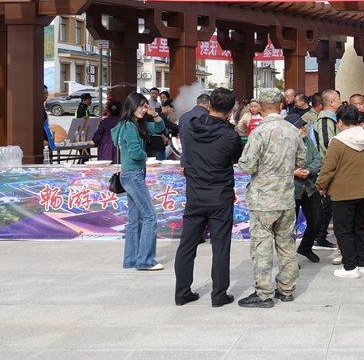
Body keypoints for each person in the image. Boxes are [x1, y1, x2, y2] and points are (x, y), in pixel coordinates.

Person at [174, 88, 243, 307]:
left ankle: (182, 292)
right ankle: (219, 295)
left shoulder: (190, 127)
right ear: (230, 111)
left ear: (209, 105)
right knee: (220, 247)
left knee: (187, 245)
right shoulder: (230, 135)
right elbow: (236, 157)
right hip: (220, 195)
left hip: (195, 194)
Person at [237, 88, 305, 307]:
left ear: (260, 107)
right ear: (281, 105)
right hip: (286, 196)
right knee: (286, 244)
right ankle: (286, 289)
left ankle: (264, 293)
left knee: (262, 246)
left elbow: (247, 165)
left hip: (263, 199)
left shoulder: (259, 132)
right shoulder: (292, 131)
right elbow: (300, 160)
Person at [316, 105, 364, 278]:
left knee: (343, 231)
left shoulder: (337, 142)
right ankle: (362, 263)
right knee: (358, 228)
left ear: (340, 122)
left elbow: (328, 169)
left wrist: (320, 186)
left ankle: (350, 267)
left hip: (342, 193)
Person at [111, 92, 167, 271]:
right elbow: (135, 153)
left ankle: (131, 259)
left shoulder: (135, 124)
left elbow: (159, 128)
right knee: (150, 216)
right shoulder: (129, 126)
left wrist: (154, 114)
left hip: (130, 174)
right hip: (134, 174)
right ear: (131, 106)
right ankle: (145, 260)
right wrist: (146, 156)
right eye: (140, 106)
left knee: (134, 219)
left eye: (144, 106)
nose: (143, 109)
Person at [286, 113, 323, 263]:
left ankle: (305, 247)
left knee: (317, 220)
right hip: (292, 189)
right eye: (299, 126)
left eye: (303, 125)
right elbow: (278, 165)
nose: (303, 128)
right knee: (289, 226)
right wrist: (294, 171)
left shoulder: (307, 140)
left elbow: (318, 159)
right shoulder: (284, 143)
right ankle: (289, 259)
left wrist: (308, 170)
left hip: (309, 187)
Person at [312, 89, 341, 251]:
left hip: (331, 166)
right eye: (338, 99)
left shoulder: (331, 119)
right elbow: (327, 144)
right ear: (331, 102)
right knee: (325, 205)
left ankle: (320, 235)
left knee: (328, 205)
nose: (340, 101)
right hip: (328, 167)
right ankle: (319, 236)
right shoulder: (325, 120)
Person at [42, 85, 56, 156]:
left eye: (47, 93)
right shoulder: (36, 107)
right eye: (45, 93)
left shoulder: (42, 106)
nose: (47, 95)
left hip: (47, 140)